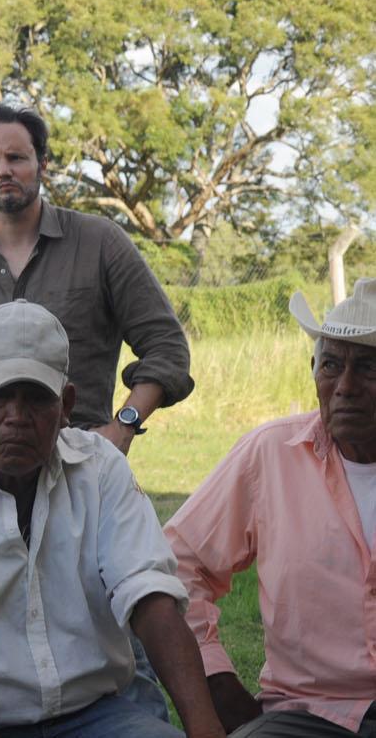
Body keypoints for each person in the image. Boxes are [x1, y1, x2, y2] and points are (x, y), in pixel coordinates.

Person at [0, 300, 224, 738]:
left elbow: (150, 598)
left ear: (66, 406)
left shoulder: (100, 470)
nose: (17, 418)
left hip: (94, 715)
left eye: (37, 398)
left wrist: (204, 726)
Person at [163, 278, 376, 738]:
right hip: (308, 714)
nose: (345, 387)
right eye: (331, 365)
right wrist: (219, 686)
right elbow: (177, 564)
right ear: (312, 369)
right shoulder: (271, 454)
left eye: (368, 368)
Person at [0, 102, 191, 455]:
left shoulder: (99, 242)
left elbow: (167, 347)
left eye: (16, 158)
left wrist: (123, 426)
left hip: (79, 459)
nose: (4, 170)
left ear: (43, 164)